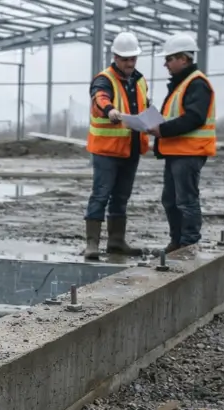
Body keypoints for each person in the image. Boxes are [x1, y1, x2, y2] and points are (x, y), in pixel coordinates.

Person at [147, 32, 217, 254]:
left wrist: (162, 129)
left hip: (189, 152)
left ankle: (189, 244)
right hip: (176, 152)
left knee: (186, 200)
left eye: (169, 59)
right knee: (170, 200)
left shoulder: (196, 84)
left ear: (184, 59)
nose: (165, 64)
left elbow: (194, 117)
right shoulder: (182, 84)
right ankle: (177, 242)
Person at [83, 31, 149, 261]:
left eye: (133, 59)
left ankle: (116, 241)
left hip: (130, 148)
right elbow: (99, 97)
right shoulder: (105, 79)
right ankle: (92, 243)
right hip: (107, 150)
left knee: (121, 196)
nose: (130, 63)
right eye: (125, 59)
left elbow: (144, 107)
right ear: (115, 57)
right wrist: (110, 110)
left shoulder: (140, 81)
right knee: (101, 194)